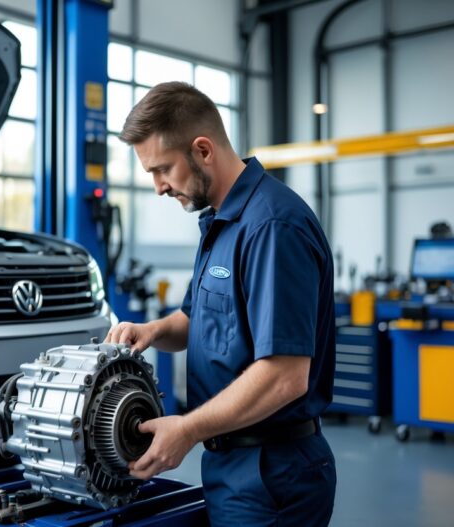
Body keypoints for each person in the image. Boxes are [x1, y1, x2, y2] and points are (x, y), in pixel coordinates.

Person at [105, 81, 336, 526]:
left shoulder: (272, 227)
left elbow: (286, 376)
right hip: (230, 464)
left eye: (163, 169)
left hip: (272, 472)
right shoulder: (222, 222)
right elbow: (197, 319)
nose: (158, 187)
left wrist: (187, 430)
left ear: (203, 150)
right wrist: (152, 331)